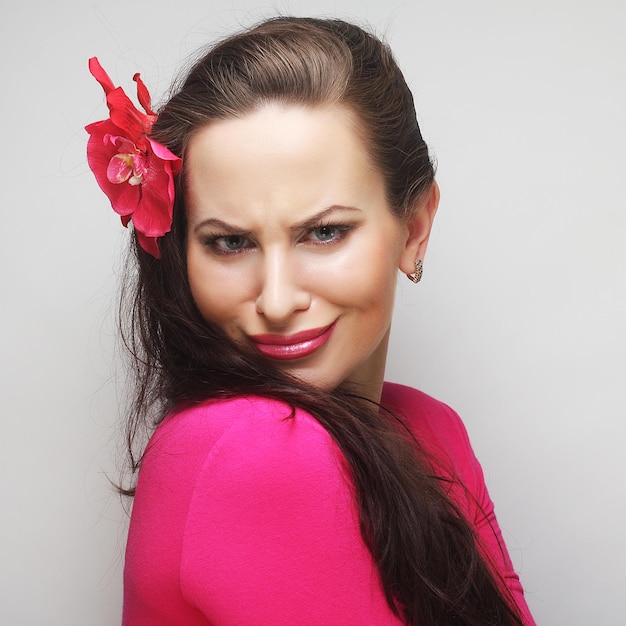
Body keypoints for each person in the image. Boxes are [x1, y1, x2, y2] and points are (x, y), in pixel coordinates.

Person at [86, 16, 535, 626]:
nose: (275, 300)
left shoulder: (430, 430)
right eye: (229, 243)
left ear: (416, 227)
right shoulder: (257, 449)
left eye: (325, 232)